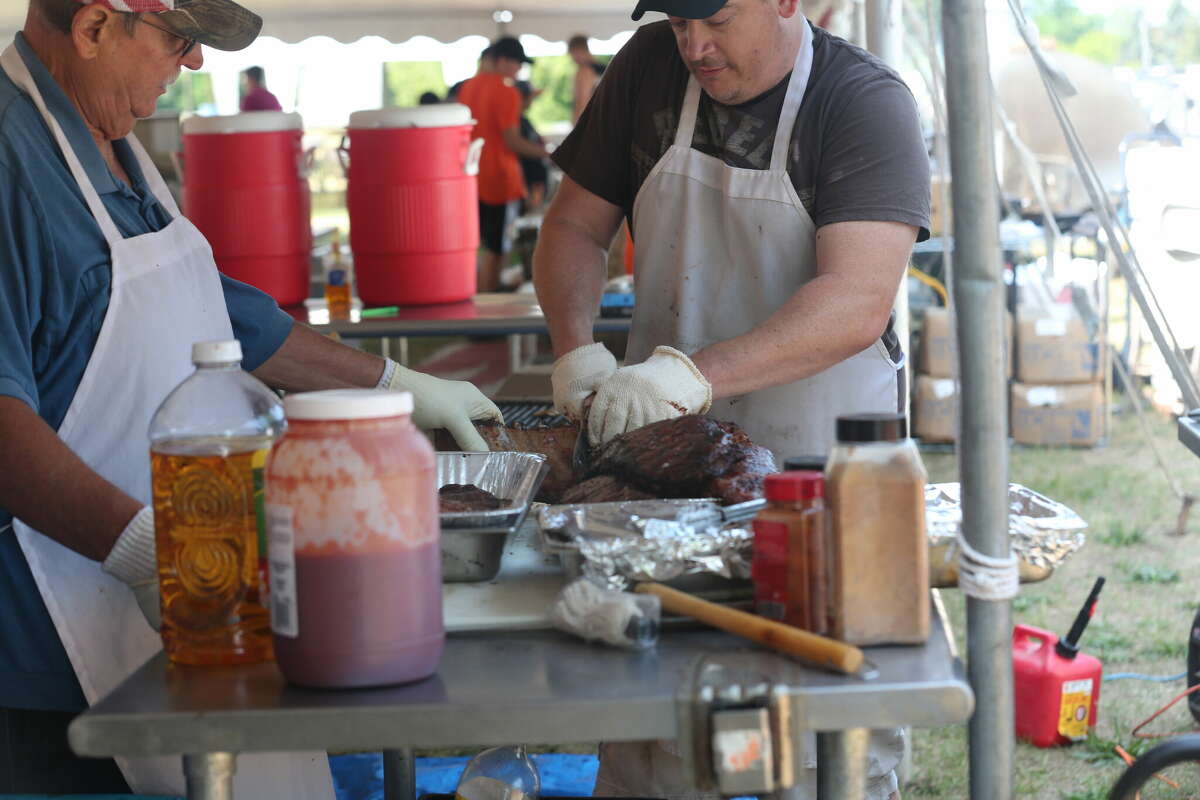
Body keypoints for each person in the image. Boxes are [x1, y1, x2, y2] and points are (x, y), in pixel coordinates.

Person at [0, 0, 502, 795]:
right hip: (50, 656)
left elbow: (224, 317)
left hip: (199, 596)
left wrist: (396, 385)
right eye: (178, 40)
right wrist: (142, 551)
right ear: (96, 27)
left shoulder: (113, 139)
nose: (193, 65)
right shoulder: (9, 159)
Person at [533, 0, 930, 796]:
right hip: (656, 482)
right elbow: (573, 229)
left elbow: (856, 301)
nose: (694, 46)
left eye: (713, 18)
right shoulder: (647, 69)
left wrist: (693, 375)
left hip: (820, 486)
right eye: (677, 21)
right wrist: (576, 347)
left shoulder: (860, 102)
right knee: (656, 729)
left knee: (823, 746)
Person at [458, 36, 549, 292]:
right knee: (498, 251)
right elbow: (512, 141)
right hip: (500, 179)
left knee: (481, 247)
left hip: (472, 176)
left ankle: (478, 304)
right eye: (516, 62)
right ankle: (489, 317)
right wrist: (547, 154)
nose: (518, 69)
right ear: (502, 60)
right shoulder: (506, 92)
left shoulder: (467, 88)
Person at [514, 79, 548, 211]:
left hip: (534, 185)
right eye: (530, 97)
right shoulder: (516, 123)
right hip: (528, 187)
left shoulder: (523, 120)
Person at [567, 33, 605, 124]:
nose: (571, 58)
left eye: (571, 53)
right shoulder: (604, 69)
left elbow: (582, 102)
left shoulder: (584, 70)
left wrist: (576, 128)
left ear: (576, 50)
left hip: (591, 123)